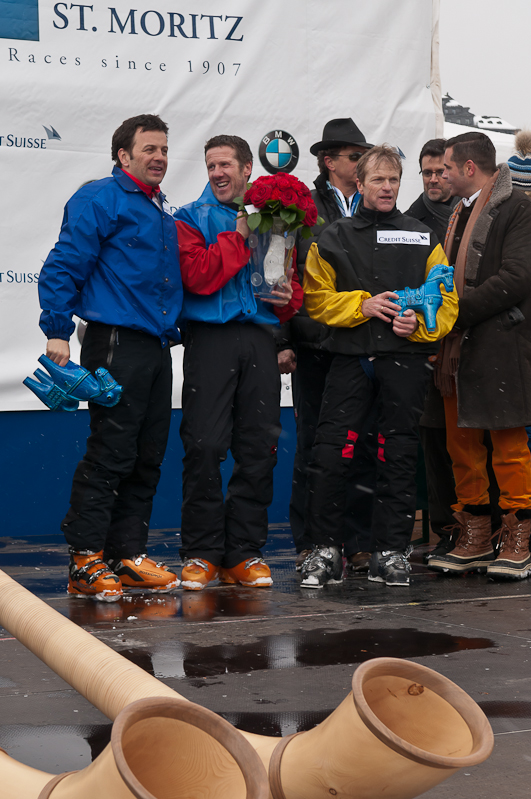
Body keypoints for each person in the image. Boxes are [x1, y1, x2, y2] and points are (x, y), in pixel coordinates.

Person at [38, 114, 183, 601]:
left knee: (148, 455)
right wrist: (57, 329)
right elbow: (64, 262)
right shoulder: (99, 197)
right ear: (124, 155)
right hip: (116, 341)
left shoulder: (163, 208)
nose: (159, 157)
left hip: (156, 348)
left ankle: (126, 555)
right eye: (149, 149)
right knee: (112, 452)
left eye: (163, 149)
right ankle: (84, 559)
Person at [300, 145, 458, 587]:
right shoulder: (332, 236)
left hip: (403, 363)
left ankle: (392, 551)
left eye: (393, 180)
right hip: (350, 361)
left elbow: (445, 301)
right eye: (378, 180)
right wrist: (362, 305)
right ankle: (325, 550)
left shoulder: (423, 236)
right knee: (332, 453)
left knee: (398, 456)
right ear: (360, 184)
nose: (387, 188)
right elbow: (315, 299)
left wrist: (421, 324)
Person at [174, 135, 303, 591]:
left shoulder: (277, 218)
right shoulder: (189, 217)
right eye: (211, 165)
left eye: (225, 164)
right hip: (210, 339)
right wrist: (241, 231)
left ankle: (245, 552)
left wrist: (289, 299)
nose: (217, 173)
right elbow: (200, 276)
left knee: (258, 449)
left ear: (248, 169)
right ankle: (201, 553)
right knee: (205, 446)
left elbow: (287, 286)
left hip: (261, 340)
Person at [276, 118, 378, 573]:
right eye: (354, 157)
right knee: (315, 447)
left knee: (361, 445)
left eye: (364, 157)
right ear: (328, 160)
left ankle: (357, 542)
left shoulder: (375, 206)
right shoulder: (303, 206)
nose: (361, 164)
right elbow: (283, 274)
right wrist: (285, 337)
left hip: (363, 345)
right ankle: (312, 543)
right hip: (316, 343)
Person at [428, 131, 531, 579]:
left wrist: (454, 314)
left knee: (508, 447)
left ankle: (519, 537)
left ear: (470, 168)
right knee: (462, 446)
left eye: (446, 167)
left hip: (499, 344)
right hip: (457, 350)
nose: (440, 174)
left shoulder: (519, 208)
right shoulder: (457, 214)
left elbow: (517, 277)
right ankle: (475, 535)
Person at [405, 138, 461, 562]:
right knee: (434, 443)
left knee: (480, 441)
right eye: (427, 172)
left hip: (473, 346)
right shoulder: (408, 222)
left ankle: (489, 523)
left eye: (441, 170)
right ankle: (444, 529)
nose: (435, 178)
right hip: (427, 350)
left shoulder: (474, 212)